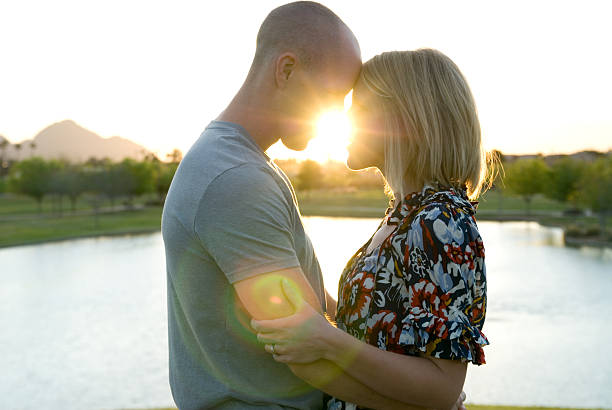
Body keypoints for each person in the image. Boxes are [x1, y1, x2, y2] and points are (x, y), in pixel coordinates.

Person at [252, 49, 491, 410]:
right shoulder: (404, 215)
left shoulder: (441, 223)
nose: (345, 117)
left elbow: (442, 387)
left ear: (402, 118)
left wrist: (326, 341)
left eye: (359, 106)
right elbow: (375, 324)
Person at [161, 2, 367, 409]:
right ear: (286, 70)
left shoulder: (241, 163)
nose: (339, 113)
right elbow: (309, 347)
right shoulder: (234, 178)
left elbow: (310, 304)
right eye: (332, 94)